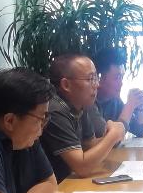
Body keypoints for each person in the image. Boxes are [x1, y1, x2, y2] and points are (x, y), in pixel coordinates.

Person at [42, 53, 125, 181]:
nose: (97, 85)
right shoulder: (54, 110)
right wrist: (113, 136)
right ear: (66, 85)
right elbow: (81, 167)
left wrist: (112, 135)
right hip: (56, 185)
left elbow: (89, 145)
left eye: (96, 78)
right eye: (90, 79)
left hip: (69, 180)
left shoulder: (80, 103)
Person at [93, 47, 143, 137]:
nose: (121, 83)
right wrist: (130, 106)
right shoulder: (89, 103)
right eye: (117, 77)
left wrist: (140, 108)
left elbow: (139, 131)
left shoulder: (115, 101)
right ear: (99, 78)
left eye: (122, 77)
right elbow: (108, 138)